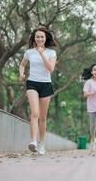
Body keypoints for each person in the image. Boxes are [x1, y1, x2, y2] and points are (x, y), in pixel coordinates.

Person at [19, 27, 57, 155]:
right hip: (32, 83)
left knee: (43, 117)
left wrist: (41, 53)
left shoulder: (51, 53)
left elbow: (50, 68)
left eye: (42, 37)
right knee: (34, 113)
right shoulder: (29, 52)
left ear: (45, 38)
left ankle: (42, 144)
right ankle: (33, 141)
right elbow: (22, 64)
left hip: (46, 84)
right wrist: (21, 74)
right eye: (37, 37)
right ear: (34, 38)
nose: (39, 39)